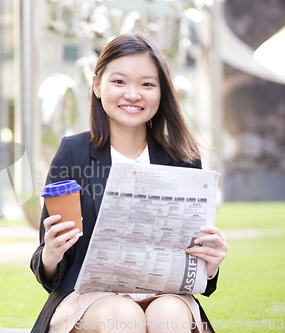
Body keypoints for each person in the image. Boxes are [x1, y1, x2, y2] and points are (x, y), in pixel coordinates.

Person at [30, 34, 228, 333]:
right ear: (97, 85)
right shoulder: (73, 153)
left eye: (147, 84)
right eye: (119, 82)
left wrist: (210, 265)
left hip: (165, 294)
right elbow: (49, 267)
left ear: (161, 92)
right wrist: (51, 254)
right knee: (124, 316)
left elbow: (196, 262)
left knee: (169, 313)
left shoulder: (183, 158)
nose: (133, 94)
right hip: (90, 300)